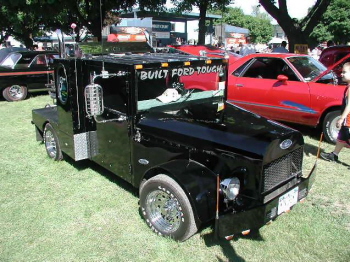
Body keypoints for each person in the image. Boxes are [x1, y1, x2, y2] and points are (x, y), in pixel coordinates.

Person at [321, 62, 350, 162]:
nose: (342, 74)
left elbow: (349, 105)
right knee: (342, 136)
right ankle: (334, 155)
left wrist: (342, 118)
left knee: (346, 136)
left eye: (345, 72)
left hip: (348, 120)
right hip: (347, 119)